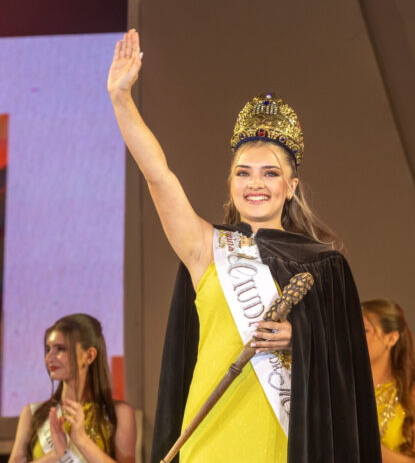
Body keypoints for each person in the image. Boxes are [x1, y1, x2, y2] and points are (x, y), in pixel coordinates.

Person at [107, 30, 380, 463]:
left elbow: (346, 374)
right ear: (230, 182)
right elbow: (158, 175)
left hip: (283, 436)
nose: (255, 184)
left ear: (291, 187)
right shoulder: (205, 247)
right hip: (210, 434)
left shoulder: (323, 265)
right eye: (243, 172)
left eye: (270, 174)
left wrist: (301, 338)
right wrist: (121, 98)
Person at [9, 314, 136, 463]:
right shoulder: (32, 414)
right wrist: (55, 454)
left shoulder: (119, 414)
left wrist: (82, 440)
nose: (50, 357)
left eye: (60, 349)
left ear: (89, 356)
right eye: (48, 349)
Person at [362, 299, 415, 463]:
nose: (354, 337)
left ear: (391, 338)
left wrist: (363, 445)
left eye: (364, 330)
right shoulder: (343, 393)